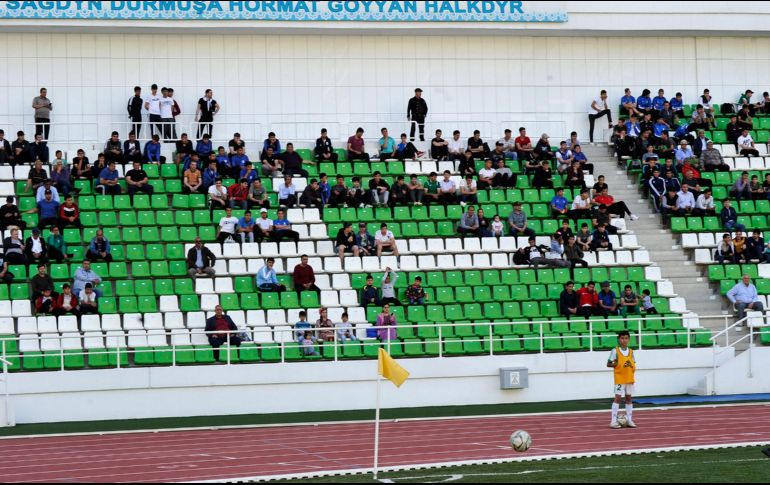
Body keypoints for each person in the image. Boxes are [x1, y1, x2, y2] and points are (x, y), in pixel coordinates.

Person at [608, 331, 637, 429]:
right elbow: (608, 363)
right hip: (620, 379)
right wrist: (615, 364)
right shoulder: (615, 351)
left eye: (626, 338)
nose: (624, 340)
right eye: (622, 338)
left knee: (629, 398)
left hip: (629, 378)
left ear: (629, 339)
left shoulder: (631, 351)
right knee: (618, 398)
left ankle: (629, 419)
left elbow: (633, 363)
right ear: (619, 339)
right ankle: (613, 421)